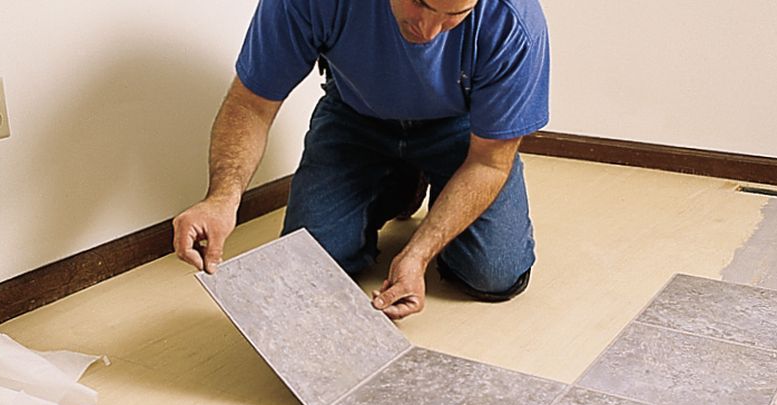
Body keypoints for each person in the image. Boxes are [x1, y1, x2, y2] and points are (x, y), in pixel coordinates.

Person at [173, 0, 550, 320]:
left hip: (463, 130)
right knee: (308, 269)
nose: (431, 30)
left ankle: (425, 179)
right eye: (420, 1)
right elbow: (252, 105)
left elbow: (489, 162)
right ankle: (399, 182)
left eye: (455, 14)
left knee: (493, 275)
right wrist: (223, 197)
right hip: (357, 117)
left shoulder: (513, 21)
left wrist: (418, 254)